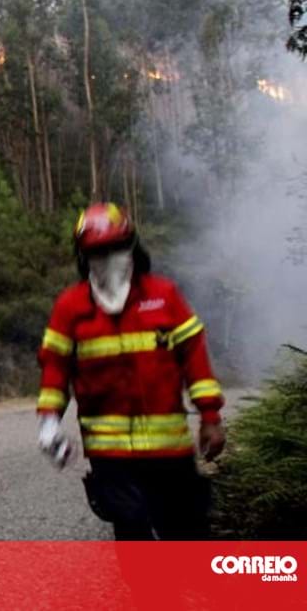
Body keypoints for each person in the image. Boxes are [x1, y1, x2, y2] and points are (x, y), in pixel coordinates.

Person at [36, 202, 226, 540]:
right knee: (132, 531)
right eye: (97, 252)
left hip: (170, 450)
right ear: (83, 257)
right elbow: (55, 366)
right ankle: (147, 594)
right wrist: (49, 422)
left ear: (133, 247)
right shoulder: (71, 307)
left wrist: (210, 416)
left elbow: (194, 357)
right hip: (110, 454)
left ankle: (195, 592)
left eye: (117, 248)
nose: (109, 258)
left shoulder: (164, 296)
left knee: (187, 533)